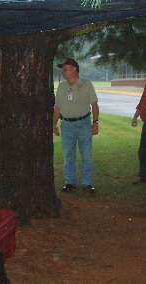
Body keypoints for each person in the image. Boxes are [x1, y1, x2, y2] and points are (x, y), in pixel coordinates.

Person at [53, 58, 99, 193]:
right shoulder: (62, 87)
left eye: (65, 68)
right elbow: (57, 107)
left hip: (84, 124)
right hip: (66, 125)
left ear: (74, 69)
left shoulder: (86, 84)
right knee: (68, 156)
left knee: (87, 155)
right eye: (63, 69)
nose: (63, 71)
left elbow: (94, 106)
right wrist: (53, 124)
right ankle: (70, 182)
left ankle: (87, 184)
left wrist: (95, 122)